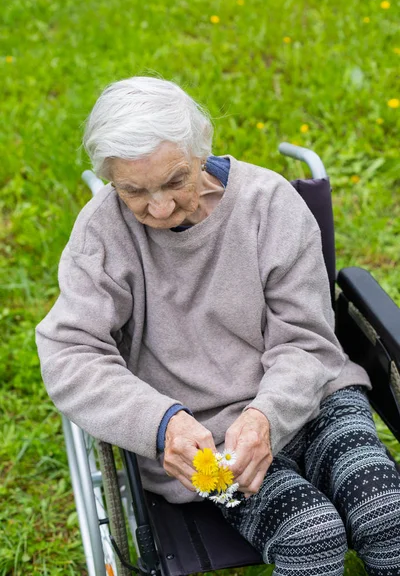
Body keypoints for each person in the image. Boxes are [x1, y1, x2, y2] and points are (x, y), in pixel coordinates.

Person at [35, 76, 400, 576]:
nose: (158, 208)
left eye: (175, 181)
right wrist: (161, 425)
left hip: (312, 398)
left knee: (387, 513)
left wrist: (267, 415)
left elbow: (305, 339)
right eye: (133, 190)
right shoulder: (103, 233)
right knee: (309, 534)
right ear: (110, 179)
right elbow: (69, 353)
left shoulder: (269, 204)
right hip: (204, 438)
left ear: (200, 150)